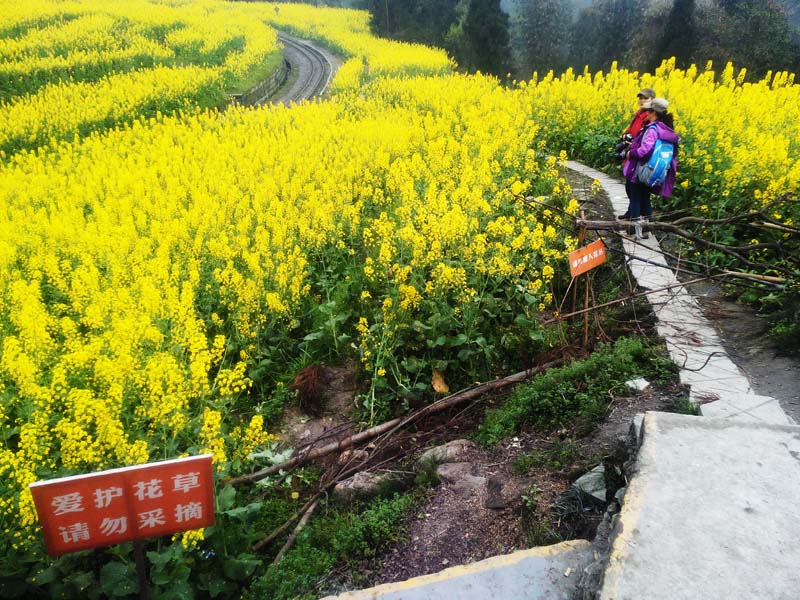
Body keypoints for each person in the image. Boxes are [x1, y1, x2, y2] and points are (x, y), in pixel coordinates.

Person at [622, 97, 680, 239]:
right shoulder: (667, 130)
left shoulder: (653, 129)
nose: (646, 113)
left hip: (642, 169)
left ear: (654, 112)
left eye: (648, 111)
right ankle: (646, 230)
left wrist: (630, 153)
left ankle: (633, 232)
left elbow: (645, 151)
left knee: (635, 198)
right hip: (655, 172)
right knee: (646, 198)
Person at [617, 88, 656, 220]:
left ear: (652, 100)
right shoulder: (639, 115)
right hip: (633, 156)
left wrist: (633, 148)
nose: (642, 101)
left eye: (645, 98)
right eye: (640, 98)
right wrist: (625, 136)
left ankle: (637, 222)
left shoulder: (649, 118)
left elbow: (645, 141)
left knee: (638, 194)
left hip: (639, 159)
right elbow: (631, 130)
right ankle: (634, 215)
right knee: (631, 189)